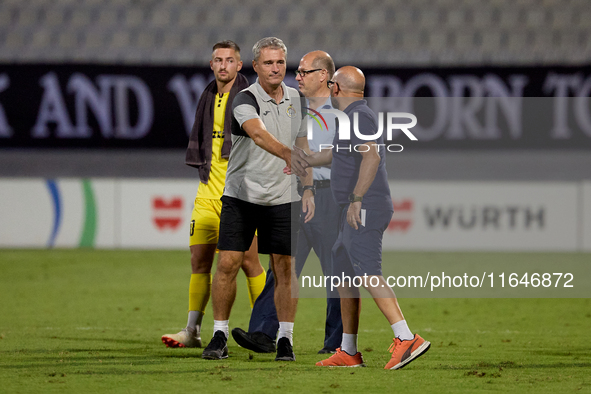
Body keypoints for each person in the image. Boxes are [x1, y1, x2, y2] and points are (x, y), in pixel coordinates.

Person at [299, 66, 431, 369]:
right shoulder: (353, 117)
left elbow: (371, 156)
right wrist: (304, 158)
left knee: (368, 270)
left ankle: (407, 336)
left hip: (366, 206)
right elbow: (337, 154)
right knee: (344, 272)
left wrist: (357, 199)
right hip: (357, 206)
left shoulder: (358, 116)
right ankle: (348, 350)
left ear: (335, 89)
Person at [201, 37, 315, 362]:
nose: (275, 68)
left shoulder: (299, 101)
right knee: (227, 263)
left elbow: (304, 145)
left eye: (280, 62)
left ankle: (285, 340)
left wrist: (307, 187)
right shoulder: (244, 98)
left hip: (284, 197)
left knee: (284, 268)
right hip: (242, 195)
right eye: (268, 63)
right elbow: (257, 133)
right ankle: (219, 334)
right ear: (256, 67)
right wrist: (288, 153)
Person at [231, 50, 343, 355]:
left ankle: (338, 343)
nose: (297, 76)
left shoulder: (341, 113)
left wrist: (301, 158)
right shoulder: (295, 107)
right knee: (281, 267)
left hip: (330, 197)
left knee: (336, 272)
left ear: (323, 75)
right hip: (295, 195)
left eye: (304, 71)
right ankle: (263, 333)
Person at [161, 41, 266, 349]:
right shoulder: (208, 96)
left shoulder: (251, 98)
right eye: (218, 60)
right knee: (199, 261)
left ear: (239, 65)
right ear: (211, 64)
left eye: (229, 60)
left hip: (240, 195)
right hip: (207, 192)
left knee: (249, 262)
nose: (223, 65)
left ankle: (264, 329)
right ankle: (192, 331)